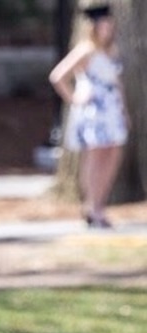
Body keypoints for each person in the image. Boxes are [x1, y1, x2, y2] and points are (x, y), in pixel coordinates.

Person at [50, 2, 129, 228]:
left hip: (112, 111)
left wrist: (123, 111)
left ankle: (100, 204)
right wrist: (74, 98)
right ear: (93, 27)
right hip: (94, 111)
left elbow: (118, 84)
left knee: (112, 155)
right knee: (95, 158)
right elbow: (58, 76)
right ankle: (92, 207)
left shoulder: (112, 51)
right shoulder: (85, 50)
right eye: (103, 25)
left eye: (109, 24)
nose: (107, 29)